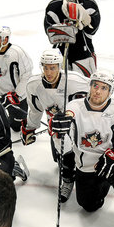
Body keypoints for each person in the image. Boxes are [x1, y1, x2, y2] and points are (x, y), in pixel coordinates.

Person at [50, 71, 114, 227]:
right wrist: (57, 135)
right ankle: (89, 182)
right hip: (86, 166)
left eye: (104, 88)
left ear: (110, 91)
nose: (98, 91)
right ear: (90, 86)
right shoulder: (74, 107)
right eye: (95, 85)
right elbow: (66, 150)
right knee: (88, 206)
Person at [21, 49, 89, 202]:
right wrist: (30, 128)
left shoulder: (76, 81)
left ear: (60, 66)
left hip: (79, 122)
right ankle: (68, 178)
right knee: (61, 154)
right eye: (45, 67)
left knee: (80, 157)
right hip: (56, 127)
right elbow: (35, 109)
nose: (49, 72)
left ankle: (75, 169)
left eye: (53, 67)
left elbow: (95, 97)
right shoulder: (34, 85)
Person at [43, 0, 101, 77]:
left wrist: (87, 19)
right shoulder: (54, 6)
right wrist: (66, 30)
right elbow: (50, 32)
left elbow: (92, 30)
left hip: (83, 51)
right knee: (59, 84)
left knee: (85, 84)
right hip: (60, 52)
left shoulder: (89, 4)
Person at [0, 25, 33, 132]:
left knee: (16, 127)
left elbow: (27, 76)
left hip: (15, 96)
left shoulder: (16, 53)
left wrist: (17, 95)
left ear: (5, 39)